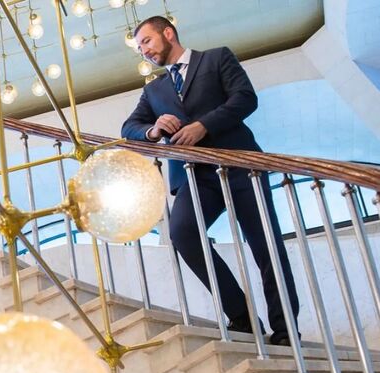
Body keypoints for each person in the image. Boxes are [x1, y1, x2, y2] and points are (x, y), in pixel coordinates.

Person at [121, 16, 299, 346]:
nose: (143, 51)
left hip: (242, 166)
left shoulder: (217, 58)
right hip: (195, 176)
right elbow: (129, 128)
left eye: (146, 41)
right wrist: (153, 130)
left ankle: (286, 330)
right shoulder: (153, 90)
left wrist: (203, 126)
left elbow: (245, 98)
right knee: (182, 233)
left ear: (168, 33)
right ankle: (242, 316)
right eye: (139, 47)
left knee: (266, 248)